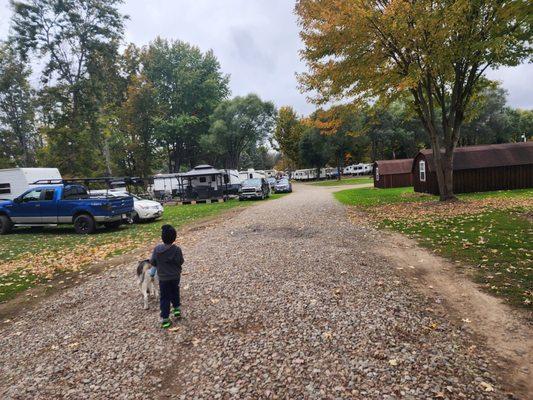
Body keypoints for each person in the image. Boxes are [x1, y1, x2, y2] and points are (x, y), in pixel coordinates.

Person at [150, 224, 184, 329]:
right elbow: (181, 261)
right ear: (174, 238)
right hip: (175, 277)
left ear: (162, 237)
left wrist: (152, 273)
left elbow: (153, 262)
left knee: (164, 297)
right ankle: (177, 309)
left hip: (163, 279)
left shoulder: (157, 250)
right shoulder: (177, 250)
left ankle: (165, 319)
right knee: (175, 292)